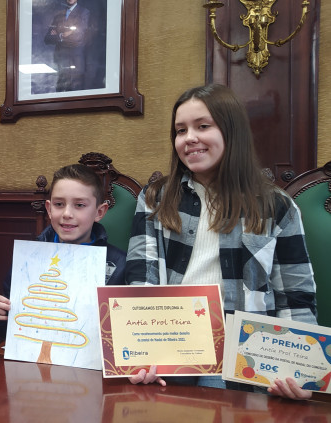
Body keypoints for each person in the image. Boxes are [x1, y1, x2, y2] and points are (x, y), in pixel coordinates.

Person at [125, 84, 317, 400]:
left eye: (203, 126)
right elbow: (141, 278)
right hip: (170, 354)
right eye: (180, 130)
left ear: (231, 131)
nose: (189, 138)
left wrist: (301, 374)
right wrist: (143, 349)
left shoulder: (276, 205)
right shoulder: (156, 197)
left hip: (245, 361)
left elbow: (295, 295)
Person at [0, 163, 127, 338]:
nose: (67, 213)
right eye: (59, 204)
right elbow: (8, 321)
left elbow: (123, 330)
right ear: (49, 209)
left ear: (99, 212)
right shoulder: (29, 259)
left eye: (79, 205)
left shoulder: (119, 264)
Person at [44, 0, 93, 92]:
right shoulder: (58, 15)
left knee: (73, 95)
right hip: (60, 63)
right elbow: (47, 39)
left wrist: (58, 35)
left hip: (75, 64)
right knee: (59, 93)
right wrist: (63, 35)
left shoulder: (84, 13)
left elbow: (78, 37)